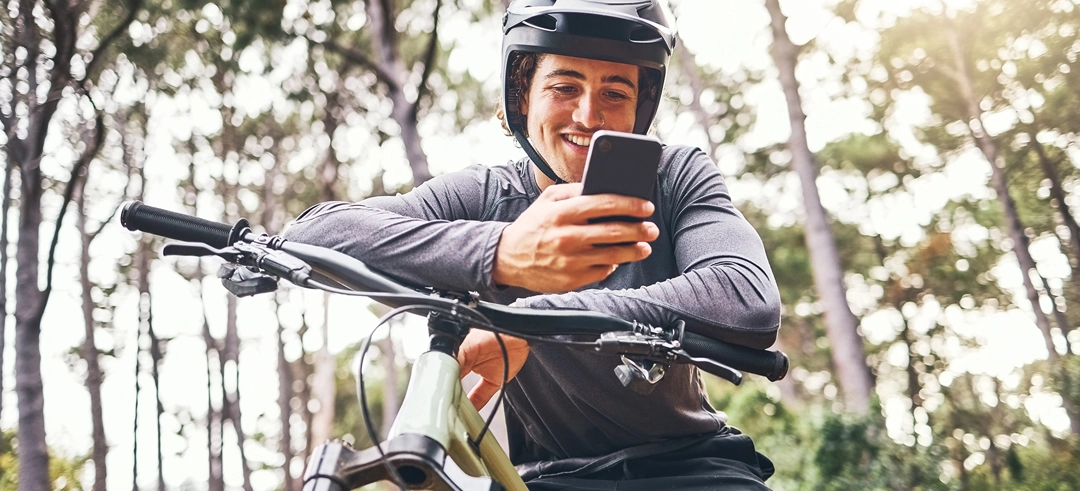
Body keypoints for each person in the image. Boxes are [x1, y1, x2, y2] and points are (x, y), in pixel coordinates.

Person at [283, 0, 781, 489]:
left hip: (693, 466)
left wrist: (533, 322)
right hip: (546, 478)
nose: (590, 116)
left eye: (616, 92)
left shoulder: (675, 176)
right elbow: (315, 234)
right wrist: (502, 252)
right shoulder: (482, 195)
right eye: (565, 86)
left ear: (639, 109)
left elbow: (746, 301)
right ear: (519, 101)